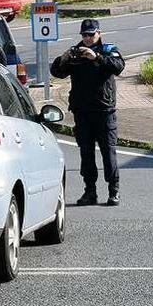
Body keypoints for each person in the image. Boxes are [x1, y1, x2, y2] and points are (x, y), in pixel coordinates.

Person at [50, 19, 125, 206]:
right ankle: (90, 191)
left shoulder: (108, 49)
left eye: (91, 35)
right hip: (82, 111)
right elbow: (57, 72)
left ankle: (113, 190)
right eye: (84, 35)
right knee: (86, 153)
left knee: (108, 153)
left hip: (104, 110)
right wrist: (63, 58)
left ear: (99, 33)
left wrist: (97, 57)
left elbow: (118, 67)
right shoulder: (76, 52)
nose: (87, 38)